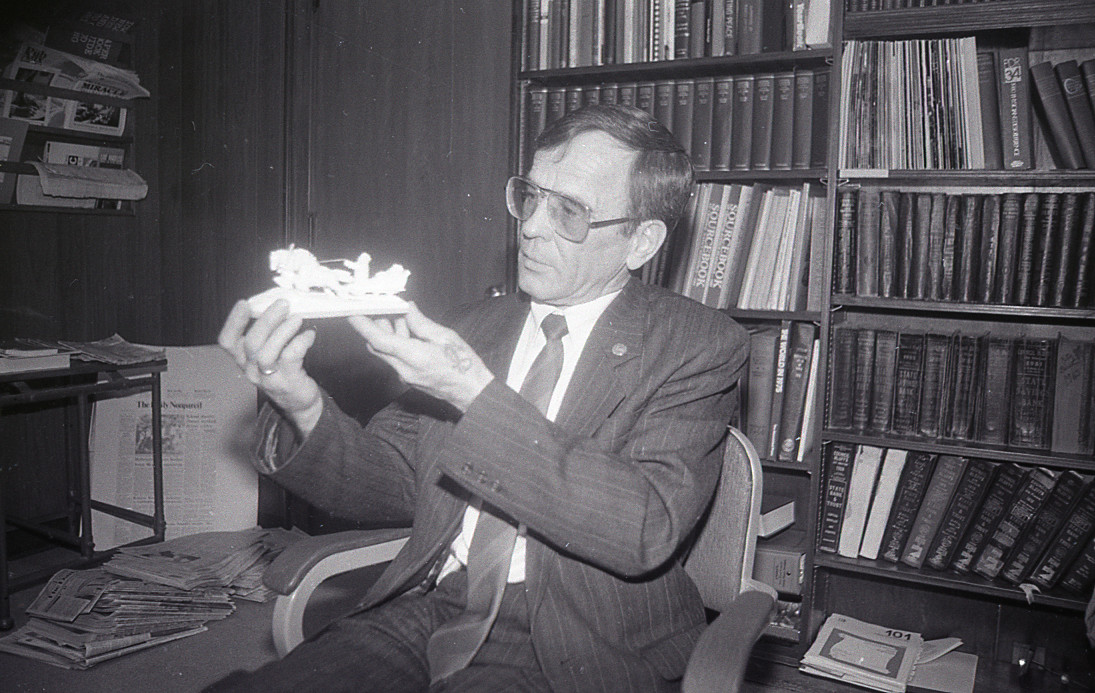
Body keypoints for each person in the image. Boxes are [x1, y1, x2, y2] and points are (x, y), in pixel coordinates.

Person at [212, 103, 748, 692]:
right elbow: (390, 480)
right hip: (433, 607)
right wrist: (300, 402)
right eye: (530, 195)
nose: (533, 226)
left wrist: (474, 393)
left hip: (578, 644)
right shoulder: (475, 326)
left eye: (569, 211)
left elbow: (645, 529)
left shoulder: (696, 345)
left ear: (640, 241)